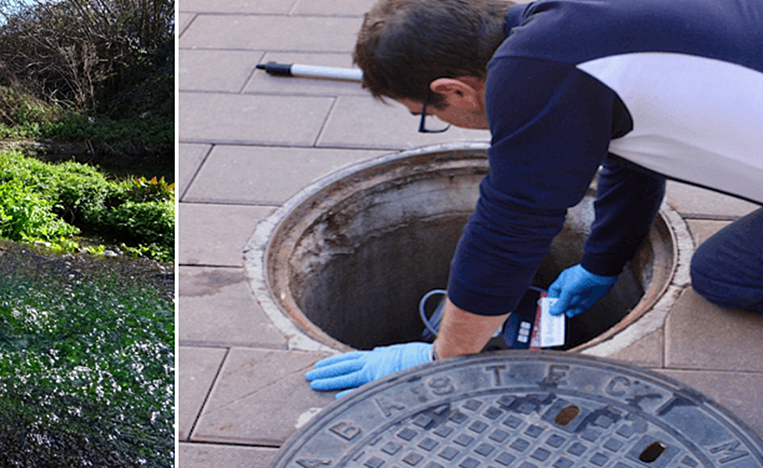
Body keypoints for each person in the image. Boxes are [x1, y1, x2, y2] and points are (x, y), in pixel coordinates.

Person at [306, 0, 763, 397]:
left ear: (454, 91)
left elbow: (508, 233)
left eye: (426, 114)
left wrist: (441, 358)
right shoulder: (571, 27)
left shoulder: (536, 72)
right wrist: (602, 263)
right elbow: (632, 153)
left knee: (725, 275)